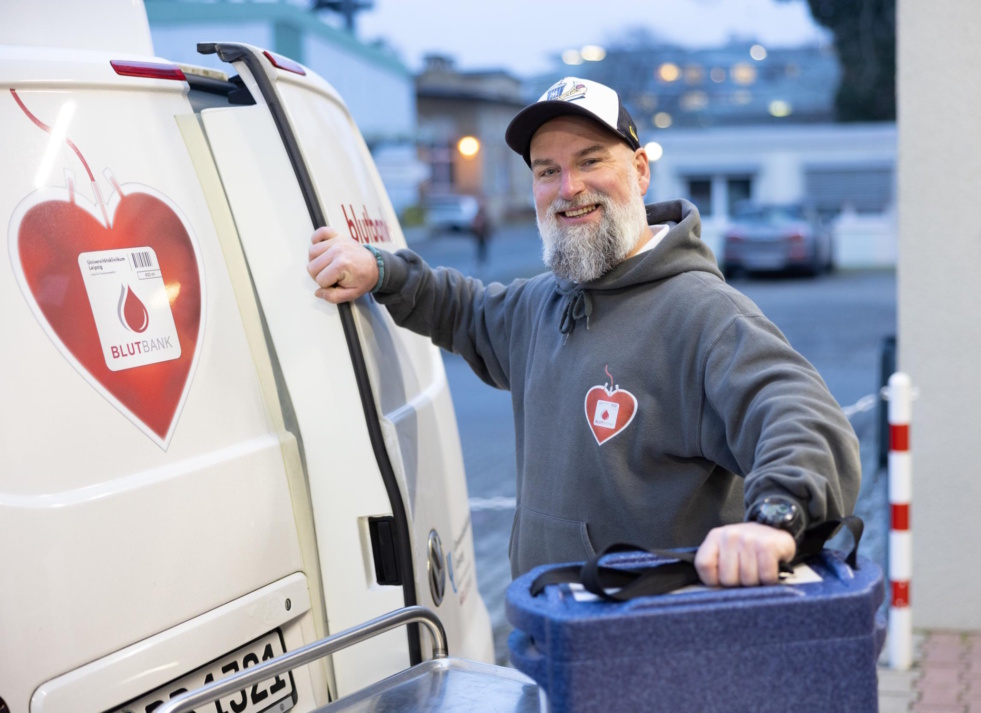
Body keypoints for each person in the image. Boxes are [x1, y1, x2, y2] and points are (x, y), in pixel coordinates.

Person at [307, 77, 860, 588]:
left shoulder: (703, 315)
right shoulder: (542, 303)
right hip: (551, 629)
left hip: (655, 649)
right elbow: (464, 310)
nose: (568, 188)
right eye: (547, 171)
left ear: (640, 171)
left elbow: (799, 414)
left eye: (590, 161)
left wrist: (776, 517)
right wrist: (382, 270)